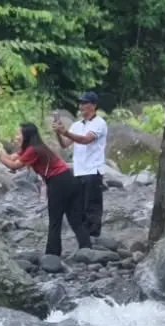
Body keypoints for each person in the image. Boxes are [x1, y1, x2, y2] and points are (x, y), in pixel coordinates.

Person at [0, 123, 90, 259]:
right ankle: (87, 249)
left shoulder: (33, 150)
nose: (16, 137)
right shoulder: (32, 148)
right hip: (69, 179)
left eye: (18, 134)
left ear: (26, 135)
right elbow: (12, 158)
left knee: (55, 218)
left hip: (58, 182)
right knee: (75, 218)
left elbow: (14, 166)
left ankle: (52, 254)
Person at [53, 91, 108, 238]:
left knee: (93, 205)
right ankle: (84, 237)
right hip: (79, 171)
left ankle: (94, 237)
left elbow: (86, 139)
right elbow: (65, 145)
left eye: (85, 103)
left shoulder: (99, 123)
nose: (81, 106)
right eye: (81, 103)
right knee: (79, 205)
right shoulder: (76, 125)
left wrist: (65, 132)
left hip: (93, 170)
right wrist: (58, 132)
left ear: (94, 106)